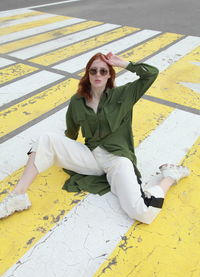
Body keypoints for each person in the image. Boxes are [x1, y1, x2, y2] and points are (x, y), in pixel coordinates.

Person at [0, 52, 189, 224]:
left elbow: (151, 73)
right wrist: (52, 152)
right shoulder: (77, 101)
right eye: (93, 71)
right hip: (91, 157)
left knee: (141, 212)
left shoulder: (123, 94)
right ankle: (18, 195)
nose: (98, 74)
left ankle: (169, 177)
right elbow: (71, 133)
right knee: (45, 139)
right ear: (88, 74)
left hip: (118, 159)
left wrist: (121, 63)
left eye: (103, 71)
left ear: (109, 75)